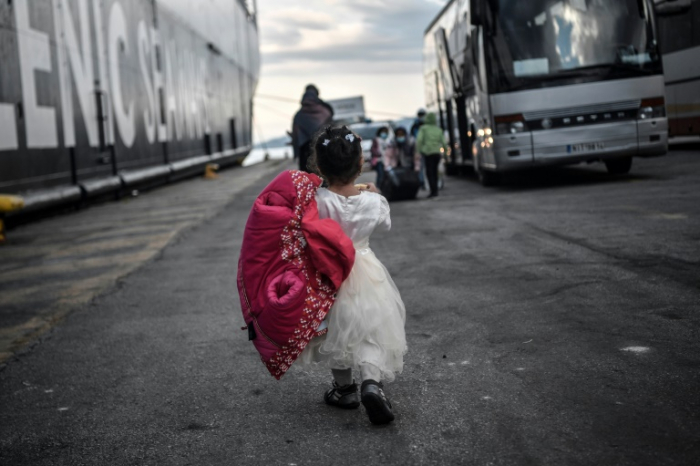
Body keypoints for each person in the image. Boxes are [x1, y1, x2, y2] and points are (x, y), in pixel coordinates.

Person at [297, 125, 407, 425]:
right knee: (370, 328)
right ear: (361, 163)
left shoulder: (316, 202)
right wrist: (373, 193)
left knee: (336, 329)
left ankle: (345, 389)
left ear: (319, 166)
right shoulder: (374, 202)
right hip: (366, 268)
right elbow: (384, 223)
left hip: (329, 273)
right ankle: (372, 383)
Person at [291, 84, 334, 172]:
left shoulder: (298, 116)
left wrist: (296, 153)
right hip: (323, 150)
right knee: (324, 176)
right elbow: (332, 130)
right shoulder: (325, 111)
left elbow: (296, 137)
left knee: (307, 180)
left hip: (305, 154)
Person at [416, 112, 446, 198]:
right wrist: (446, 154)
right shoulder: (438, 129)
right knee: (436, 172)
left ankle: (433, 191)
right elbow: (444, 142)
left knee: (430, 172)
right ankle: (436, 189)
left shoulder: (423, 129)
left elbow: (419, 140)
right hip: (437, 153)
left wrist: (418, 151)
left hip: (427, 153)